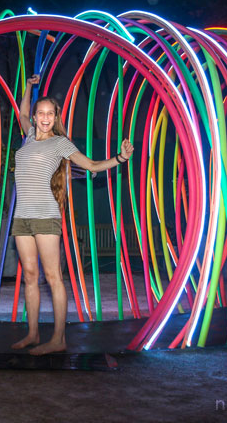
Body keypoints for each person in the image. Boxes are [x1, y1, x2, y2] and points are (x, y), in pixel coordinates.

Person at [11, 74, 134, 355]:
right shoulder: (29, 136)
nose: (43, 118)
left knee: (53, 277)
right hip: (22, 217)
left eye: (49, 114)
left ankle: (58, 339)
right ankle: (32, 334)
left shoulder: (60, 144)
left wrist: (120, 158)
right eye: (40, 113)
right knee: (30, 277)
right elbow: (21, 111)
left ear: (55, 117)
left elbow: (90, 165)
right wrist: (29, 87)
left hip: (45, 215)